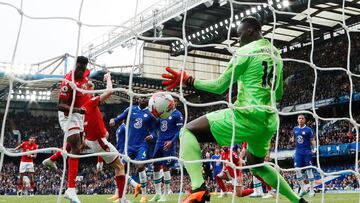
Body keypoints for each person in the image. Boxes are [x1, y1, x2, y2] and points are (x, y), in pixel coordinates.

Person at [161, 16, 307, 203]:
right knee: (257, 165)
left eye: (239, 34)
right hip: (269, 121)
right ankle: (298, 201)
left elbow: (219, 86)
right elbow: (278, 94)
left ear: (251, 31)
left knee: (187, 131)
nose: (238, 39)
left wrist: (189, 80)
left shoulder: (246, 51)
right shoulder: (276, 53)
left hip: (246, 115)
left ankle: (198, 188)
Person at [81, 73, 129, 203]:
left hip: (92, 140)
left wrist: (101, 134)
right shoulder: (90, 102)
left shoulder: (82, 107)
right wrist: (108, 79)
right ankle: (122, 199)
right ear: (86, 90)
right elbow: (109, 91)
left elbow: (87, 127)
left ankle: (121, 197)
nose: (93, 90)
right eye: (91, 88)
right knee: (120, 166)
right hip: (98, 142)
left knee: (117, 166)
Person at [109, 97, 157, 203]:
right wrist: (114, 120)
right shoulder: (130, 109)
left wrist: (152, 136)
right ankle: (122, 196)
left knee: (140, 166)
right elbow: (119, 118)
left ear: (147, 101)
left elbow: (154, 131)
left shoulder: (150, 114)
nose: (142, 99)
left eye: (144, 98)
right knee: (120, 168)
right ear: (138, 100)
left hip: (142, 145)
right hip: (129, 146)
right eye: (140, 98)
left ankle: (144, 195)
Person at [58, 56, 90, 203]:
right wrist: (78, 109)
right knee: (75, 146)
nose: (81, 72)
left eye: (83, 69)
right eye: (79, 68)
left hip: (79, 114)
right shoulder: (67, 81)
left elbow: (88, 77)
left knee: (78, 148)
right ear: (74, 66)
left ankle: (70, 189)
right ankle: (71, 189)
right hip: (67, 114)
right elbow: (60, 105)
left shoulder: (86, 74)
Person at [149, 99, 183, 202]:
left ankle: (165, 195)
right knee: (156, 166)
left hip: (169, 144)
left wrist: (172, 141)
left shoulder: (178, 114)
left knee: (166, 167)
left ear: (175, 103)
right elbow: (156, 129)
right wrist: (151, 135)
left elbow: (180, 131)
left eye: (175, 101)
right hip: (159, 142)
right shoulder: (162, 113)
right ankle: (157, 194)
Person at [290, 114, 316, 198]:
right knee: (297, 169)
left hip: (307, 152)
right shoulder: (295, 129)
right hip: (298, 152)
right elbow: (293, 138)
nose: (300, 120)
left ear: (305, 120)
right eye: (299, 118)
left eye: (302, 118)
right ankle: (303, 189)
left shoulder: (308, 130)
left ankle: (312, 190)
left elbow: (312, 140)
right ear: (297, 120)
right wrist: (292, 140)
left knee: (309, 170)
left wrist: (315, 148)